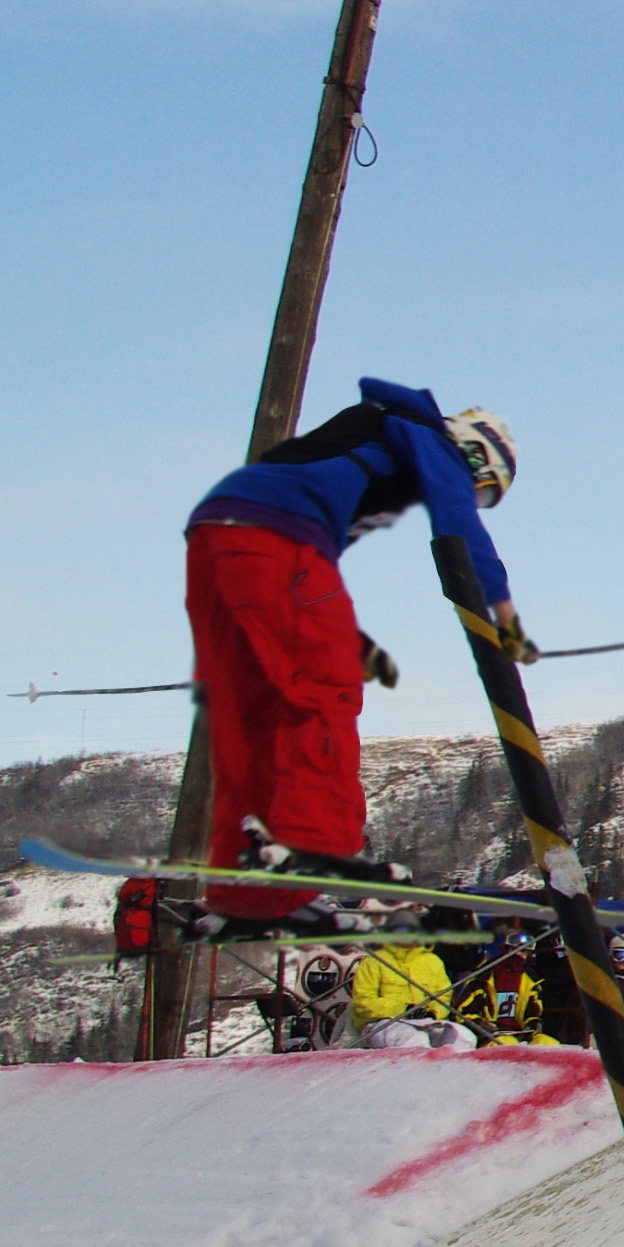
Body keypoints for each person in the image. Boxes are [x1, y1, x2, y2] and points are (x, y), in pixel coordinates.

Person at [180, 380, 522, 930]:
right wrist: (499, 612)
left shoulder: (381, 428)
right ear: (477, 453)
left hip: (217, 538)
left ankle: (242, 887)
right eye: (485, 487)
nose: (473, 493)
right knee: (326, 687)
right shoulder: (429, 437)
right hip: (281, 539)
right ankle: (317, 853)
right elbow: (457, 521)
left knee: (248, 716)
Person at [348, 939, 468, 1050]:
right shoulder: (374, 961)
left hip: (426, 1021)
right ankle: (416, 1072)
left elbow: (444, 996)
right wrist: (404, 1009)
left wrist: (434, 1012)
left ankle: (450, 1072)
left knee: (463, 1037)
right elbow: (363, 1001)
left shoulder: (432, 961)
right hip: (382, 1023)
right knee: (413, 1039)